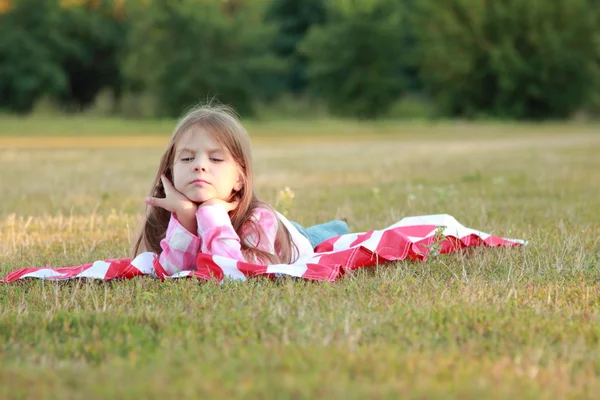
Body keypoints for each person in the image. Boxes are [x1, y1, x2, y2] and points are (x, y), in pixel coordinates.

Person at [132, 104, 347, 275]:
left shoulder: (258, 220)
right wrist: (186, 220)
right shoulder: (172, 212)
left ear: (239, 180)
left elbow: (235, 272)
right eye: (187, 158)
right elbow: (174, 271)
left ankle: (337, 227)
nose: (199, 165)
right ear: (170, 171)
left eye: (216, 159)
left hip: (291, 237)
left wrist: (212, 212)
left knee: (324, 237)